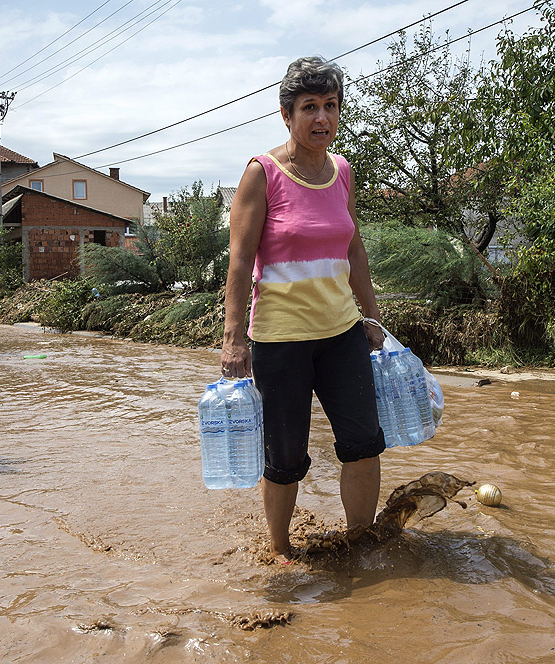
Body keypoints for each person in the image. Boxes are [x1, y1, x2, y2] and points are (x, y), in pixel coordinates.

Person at [220, 56, 386, 562]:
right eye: (309, 107)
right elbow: (241, 259)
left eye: (331, 106)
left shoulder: (342, 172)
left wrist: (372, 316)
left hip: (342, 333)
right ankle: (280, 551)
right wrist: (233, 338)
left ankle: (360, 542)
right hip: (280, 339)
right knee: (286, 454)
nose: (322, 118)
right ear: (286, 114)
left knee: (363, 442)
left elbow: (354, 249)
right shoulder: (262, 174)